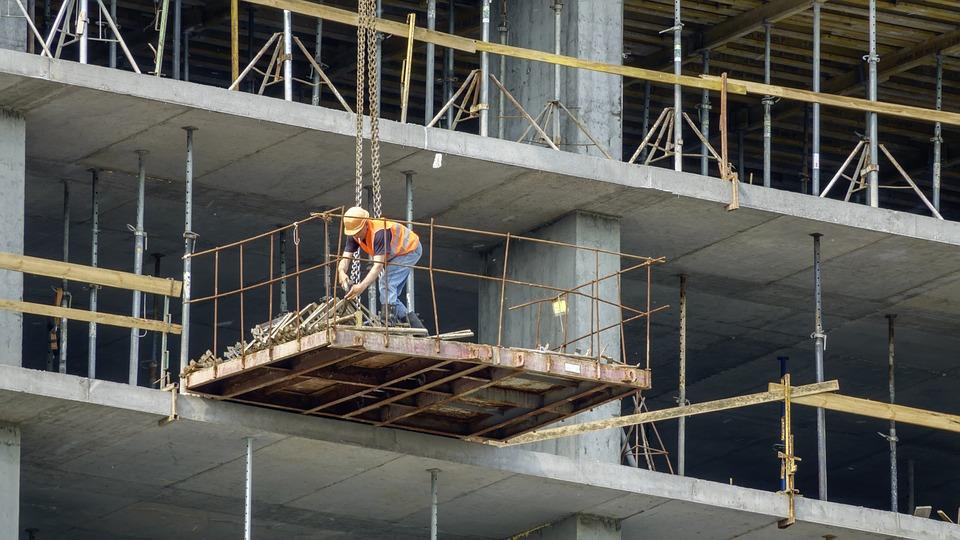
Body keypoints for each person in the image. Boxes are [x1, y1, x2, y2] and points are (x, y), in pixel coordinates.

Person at [337, 206, 425, 329]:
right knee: (389, 294)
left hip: (409, 250)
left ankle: (388, 322)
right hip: (394, 254)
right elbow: (345, 258)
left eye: (357, 231)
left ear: (365, 224)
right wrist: (341, 272)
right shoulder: (354, 233)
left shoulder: (379, 232)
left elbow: (378, 265)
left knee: (386, 284)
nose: (356, 235)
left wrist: (361, 287)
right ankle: (416, 327)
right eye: (353, 233)